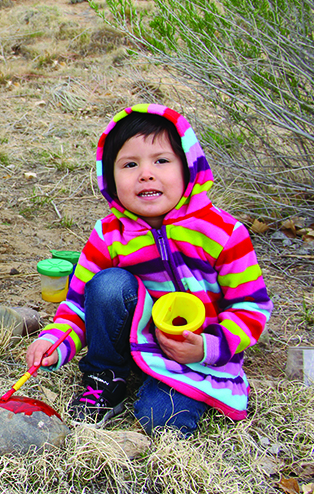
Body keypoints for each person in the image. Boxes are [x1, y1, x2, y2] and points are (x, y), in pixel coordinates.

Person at [24, 104, 272, 436]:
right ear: (109, 178)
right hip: (134, 338)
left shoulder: (224, 233)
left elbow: (251, 305)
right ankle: (106, 374)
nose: (146, 173)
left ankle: (169, 383)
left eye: (161, 161)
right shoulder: (109, 235)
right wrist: (57, 339)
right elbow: (79, 302)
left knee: (162, 420)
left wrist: (208, 347)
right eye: (129, 164)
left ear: (188, 167)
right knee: (109, 284)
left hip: (196, 353)